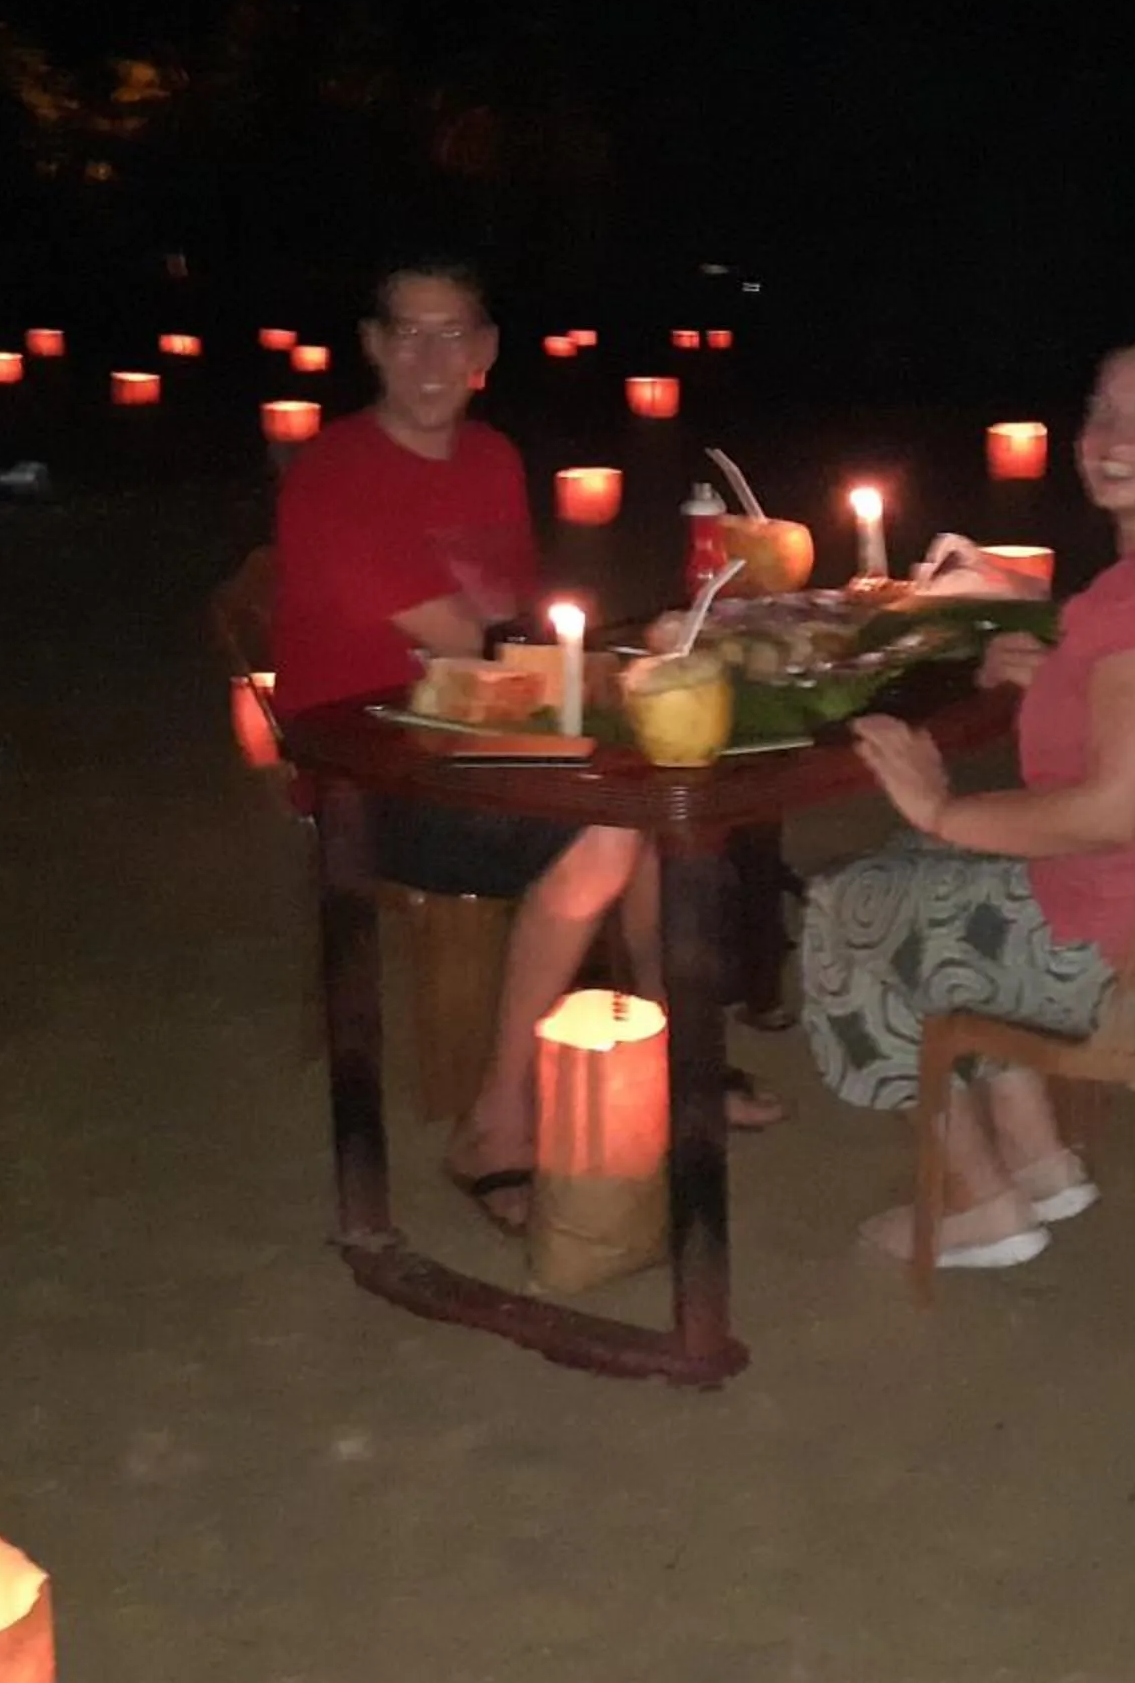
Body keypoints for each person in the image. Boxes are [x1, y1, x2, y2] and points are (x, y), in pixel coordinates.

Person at [272, 255, 776, 1235]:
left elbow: (517, 644)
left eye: (453, 331)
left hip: (486, 744)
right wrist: (612, 671)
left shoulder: (491, 457)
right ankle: (496, 1126)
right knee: (608, 830)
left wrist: (623, 660)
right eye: (408, 332)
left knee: (669, 802)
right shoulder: (337, 475)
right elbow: (468, 645)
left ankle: (678, 1068)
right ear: (372, 347)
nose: (431, 353)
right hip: (370, 778)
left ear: (486, 352)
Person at [800, 325, 1135, 1270]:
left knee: (846, 906)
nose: (1112, 435)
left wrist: (939, 808)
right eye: (1103, 410)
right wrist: (1068, 677)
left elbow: (1110, 812)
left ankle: (981, 1204)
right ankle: (1037, 1159)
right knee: (919, 878)